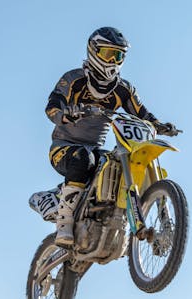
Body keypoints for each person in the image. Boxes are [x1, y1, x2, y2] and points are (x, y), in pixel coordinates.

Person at [45, 27, 178, 246]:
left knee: (114, 166)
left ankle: (114, 219)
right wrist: (66, 114)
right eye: (109, 54)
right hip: (64, 147)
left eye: (119, 55)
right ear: (93, 52)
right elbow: (53, 105)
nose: (113, 61)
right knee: (83, 159)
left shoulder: (123, 89)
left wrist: (160, 125)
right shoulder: (74, 79)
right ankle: (64, 222)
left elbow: (141, 112)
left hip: (96, 150)